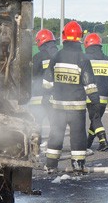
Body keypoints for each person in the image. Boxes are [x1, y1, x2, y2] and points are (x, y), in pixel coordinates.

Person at [43, 21, 101, 174]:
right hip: (77, 109)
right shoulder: (83, 58)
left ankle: (50, 165)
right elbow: (90, 86)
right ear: (80, 38)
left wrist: (46, 100)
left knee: (55, 135)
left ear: (63, 36)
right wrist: (95, 104)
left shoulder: (56, 56)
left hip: (58, 108)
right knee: (77, 137)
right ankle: (77, 166)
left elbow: (46, 84)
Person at [83, 33, 108, 151]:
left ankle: (103, 141)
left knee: (95, 119)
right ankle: (88, 142)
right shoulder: (107, 60)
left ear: (87, 45)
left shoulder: (85, 58)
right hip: (104, 97)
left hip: (90, 96)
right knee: (96, 119)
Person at [30, 29, 59, 137]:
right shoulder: (60, 55)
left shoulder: (38, 57)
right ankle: (54, 143)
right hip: (57, 95)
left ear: (40, 41)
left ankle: (37, 144)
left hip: (40, 96)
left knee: (37, 122)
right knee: (55, 122)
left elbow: (32, 75)